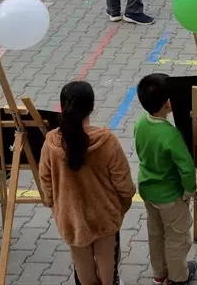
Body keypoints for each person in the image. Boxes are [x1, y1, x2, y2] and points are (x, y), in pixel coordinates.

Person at [39, 81, 136, 285]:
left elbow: (45, 180)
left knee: (82, 269)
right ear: (91, 107)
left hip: (71, 219)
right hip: (105, 216)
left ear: (62, 106)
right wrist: (121, 208)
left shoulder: (51, 142)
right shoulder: (107, 141)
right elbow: (124, 184)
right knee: (108, 270)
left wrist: (54, 205)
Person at [134, 73, 197, 285]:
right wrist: (189, 190)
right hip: (170, 196)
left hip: (147, 190)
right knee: (176, 238)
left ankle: (159, 274)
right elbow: (187, 168)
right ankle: (178, 277)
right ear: (168, 104)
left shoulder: (141, 122)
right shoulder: (171, 135)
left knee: (156, 234)